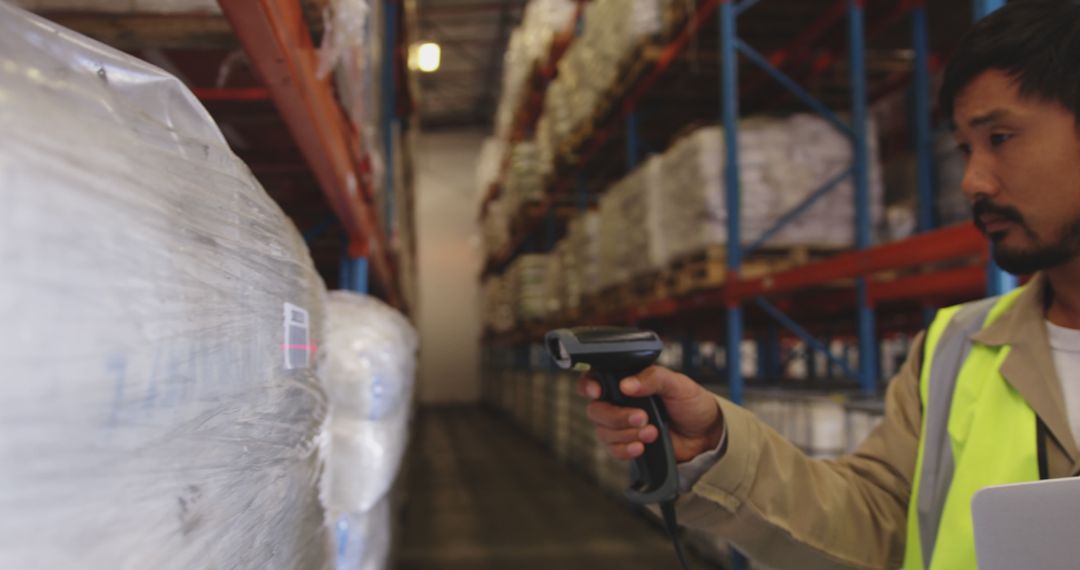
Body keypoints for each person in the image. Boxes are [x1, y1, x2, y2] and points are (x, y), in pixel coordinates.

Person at [579, 1, 1080, 568]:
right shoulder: (956, 349)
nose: (973, 180)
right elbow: (878, 520)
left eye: (1002, 137)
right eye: (965, 148)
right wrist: (718, 448)